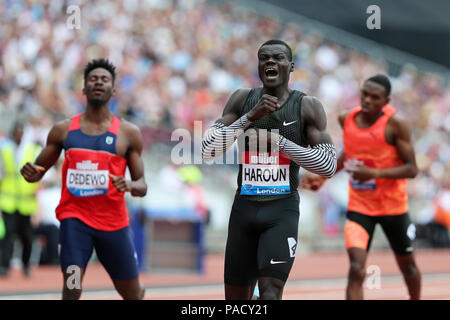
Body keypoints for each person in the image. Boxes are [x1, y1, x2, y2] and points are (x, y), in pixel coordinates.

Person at [202, 39, 337, 300]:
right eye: (265, 58)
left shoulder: (307, 106)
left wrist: (279, 143)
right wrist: (248, 117)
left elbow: (328, 166)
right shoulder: (242, 99)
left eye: (278, 57)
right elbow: (208, 149)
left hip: (281, 210)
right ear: (259, 65)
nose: (271, 62)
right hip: (244, 208)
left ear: (291, 66)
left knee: (270, 293)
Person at [20, 58, 147, 300]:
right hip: (75, 221)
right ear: (84, 88)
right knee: (72, 286)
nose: (98, 82)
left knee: (132, 293)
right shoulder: (63, 130)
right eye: (93, 79)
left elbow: (142, 186)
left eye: (105, 79)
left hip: (114, 225)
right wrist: (33, 174)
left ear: (113, 89)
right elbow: (37, 170)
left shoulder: (129, 133)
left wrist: (130, 185)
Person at [302, 74, 422, 300]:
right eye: (364, 94)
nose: (367, 100)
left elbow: (412, 169)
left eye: (374, 97)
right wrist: (324, 176)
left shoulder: (396, 125)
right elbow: (350, 152)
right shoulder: (346, 118)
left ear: (386, 101)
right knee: (356, 268)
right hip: (360, 207)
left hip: (393, 208)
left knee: (408, 267)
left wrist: (374, 173)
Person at [0, 122, 42, 277]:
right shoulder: (4, 149)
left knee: (26, 235)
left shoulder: (32, 149)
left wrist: (37, 199)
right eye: (16, 132)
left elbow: (40, 175)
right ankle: (4, 265)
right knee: (7, 233)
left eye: (20, 132)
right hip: (8, 199)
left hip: (26, 201)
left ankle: (26, 265)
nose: (18, 135)